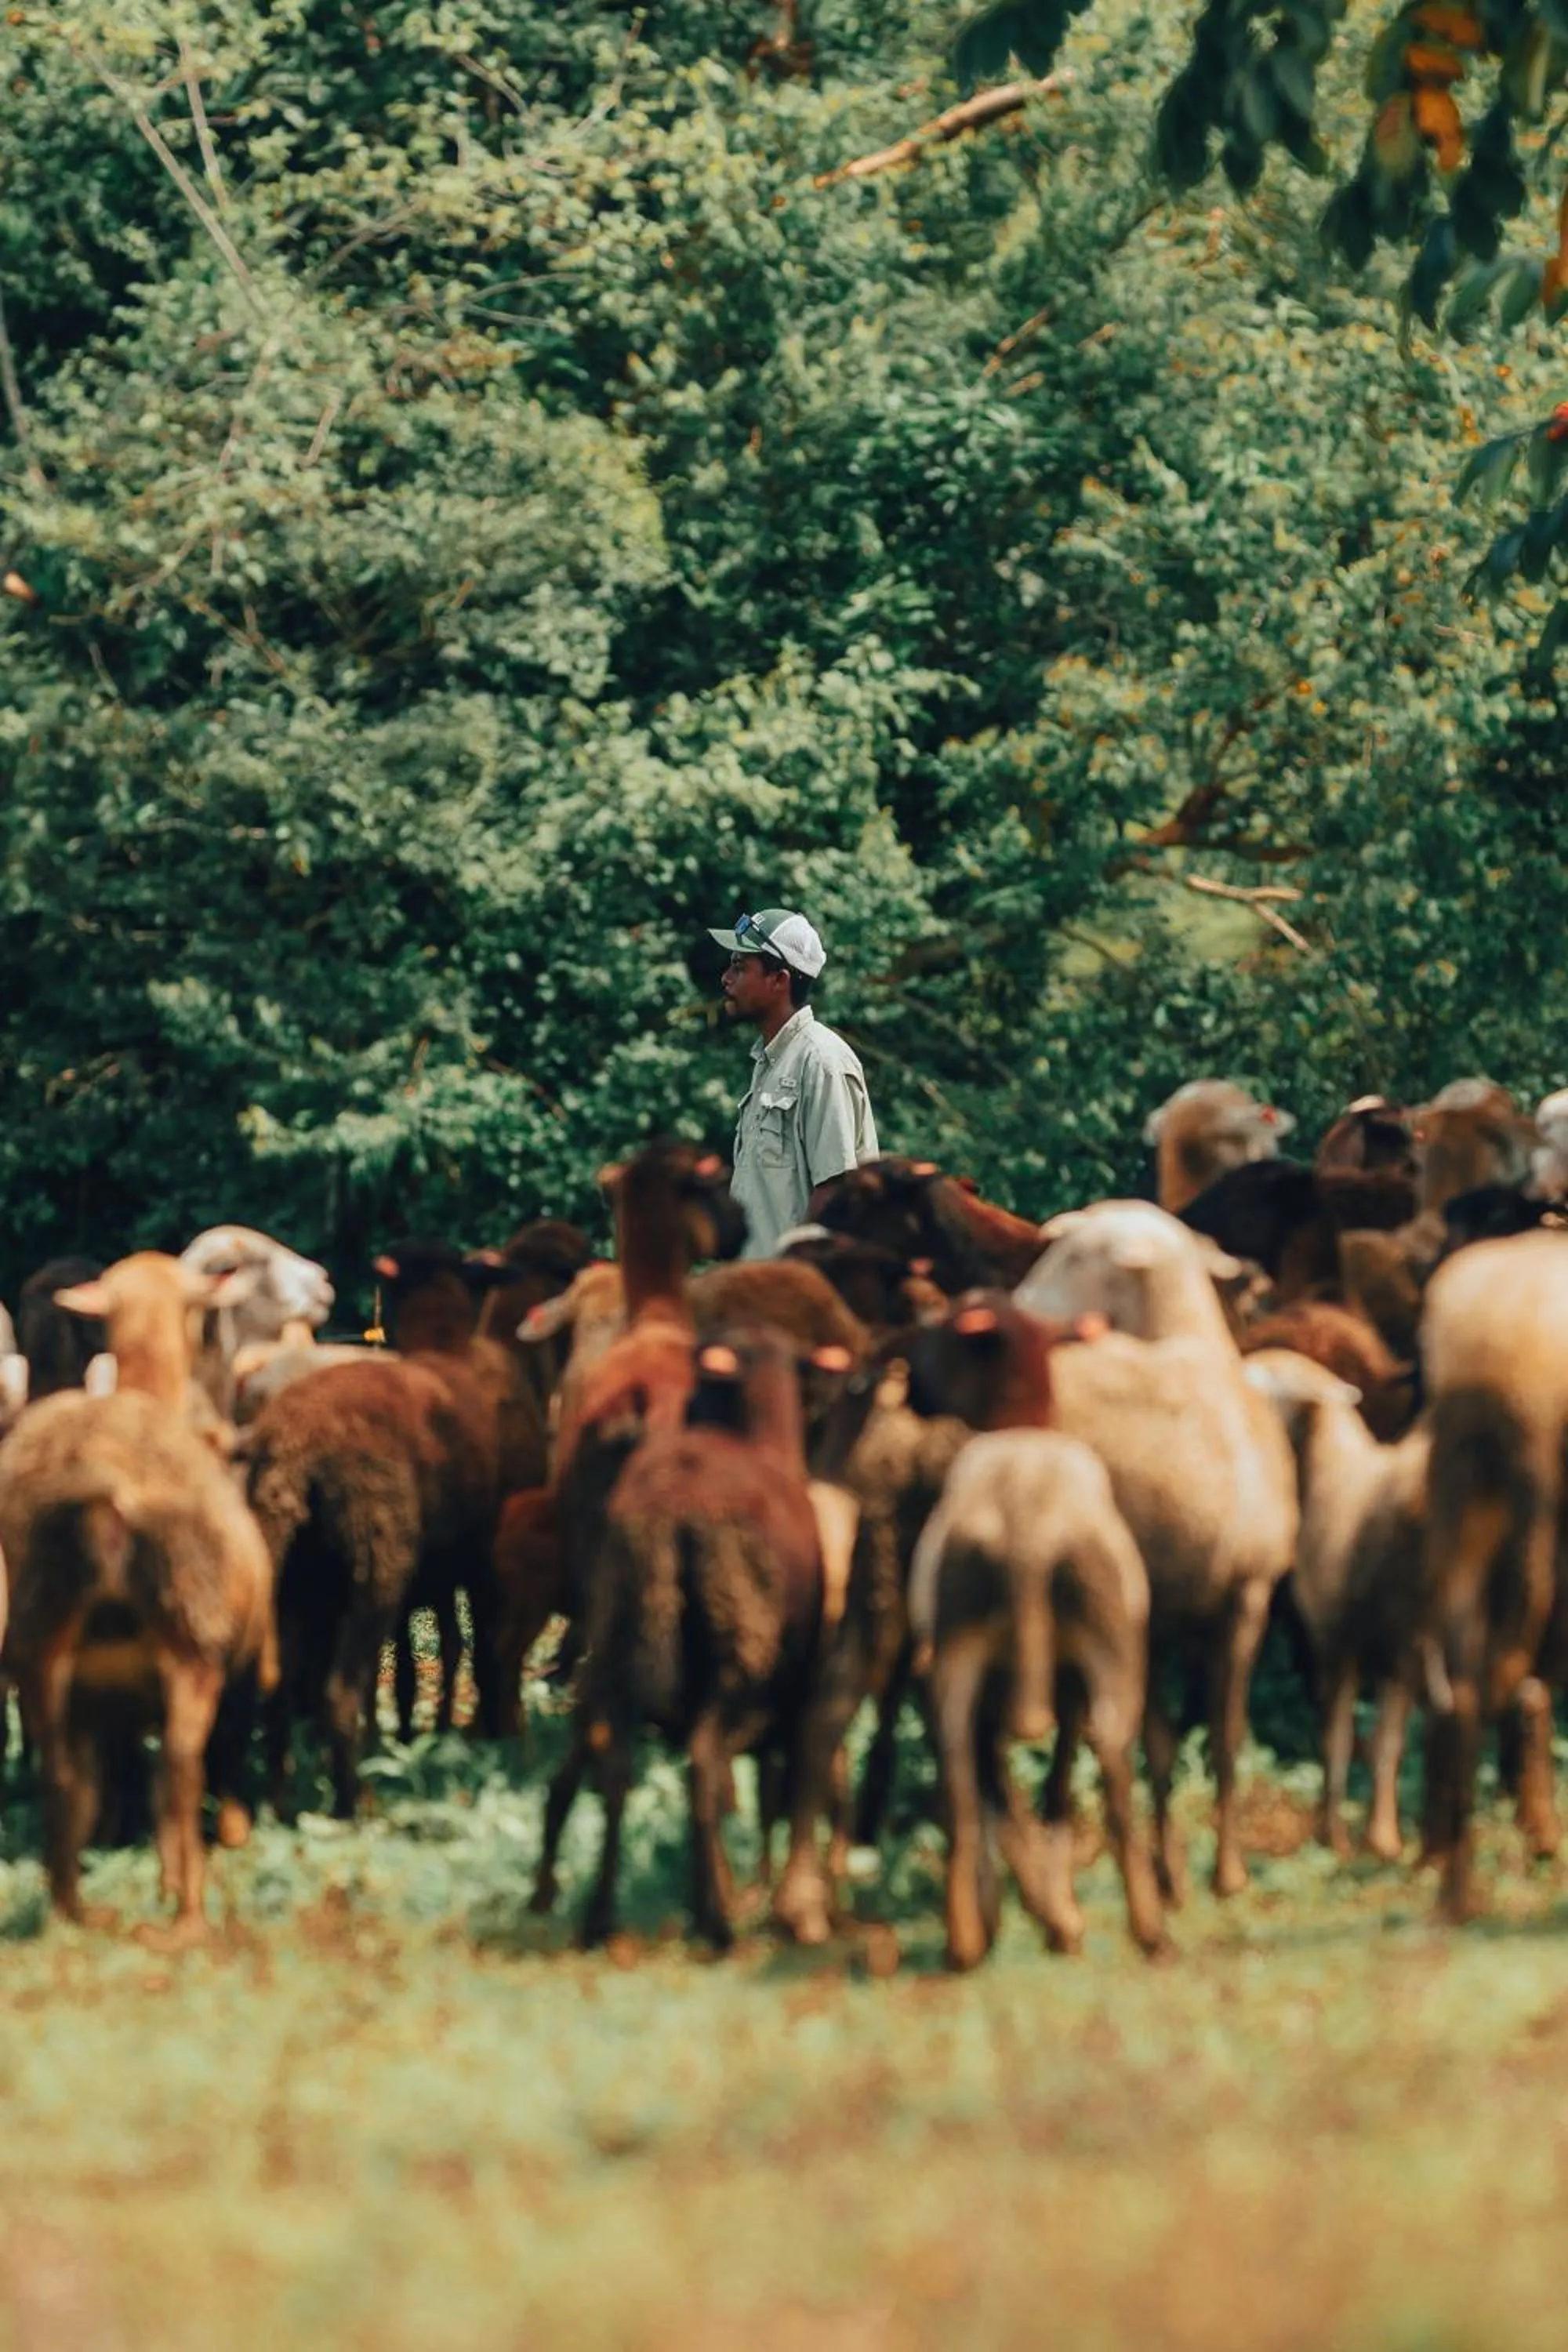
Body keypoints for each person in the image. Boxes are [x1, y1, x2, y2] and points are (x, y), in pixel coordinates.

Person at [707, 906, 879, 1258]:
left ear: (779, 980)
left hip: (790, 1294)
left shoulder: (821, 1061)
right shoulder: (771, 1060)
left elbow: (837, 1193)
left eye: (740, 967)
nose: (726, 978)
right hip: (754, 1286)